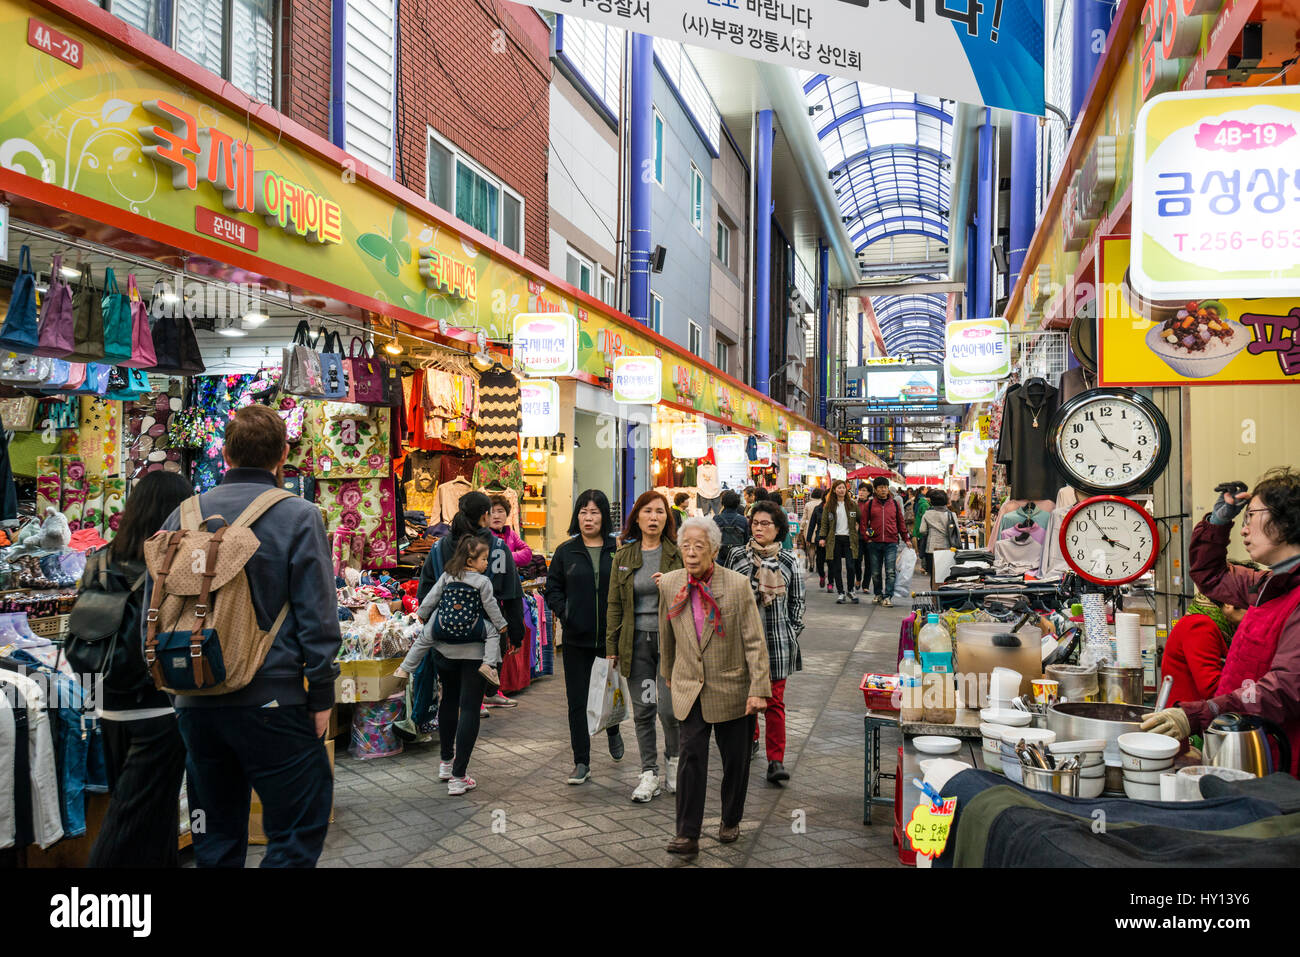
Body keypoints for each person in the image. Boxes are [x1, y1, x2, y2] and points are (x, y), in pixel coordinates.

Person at [154, 405, 340, 868]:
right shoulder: (298, 515)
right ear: (283, 456)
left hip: (195, 698)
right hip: (272, 700)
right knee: (296, 829)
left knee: (214, 835)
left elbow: (155, 608)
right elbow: (317, 614)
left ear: (224, 453)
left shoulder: (184, 514)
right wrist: (321, 694)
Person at [1142, 469, 1300, 775]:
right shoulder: (1268, 585)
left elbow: (1284, 688)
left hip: (1280, 763)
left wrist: (1202, 712)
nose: (1244, 530)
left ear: (1286, 519)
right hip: (1243, 746)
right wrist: (1218, 521)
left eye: (1251, 516)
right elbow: (1210, 575)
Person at [84, 471, 193, 868]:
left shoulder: (99, 560)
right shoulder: (167, 564)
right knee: (127, 826)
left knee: (152, 818)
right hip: (157, 708)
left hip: (108, 706)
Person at [661, 517, 771, 856]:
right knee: (690, 757)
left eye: (699, 547)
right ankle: (687, 833)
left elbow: (754, 641)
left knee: (735, 761)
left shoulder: (737, 585)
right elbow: (666, 637)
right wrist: (668, 675)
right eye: (685, 547)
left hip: (733, 688)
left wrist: (758, 689)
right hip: (689, 687)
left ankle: (730, 817)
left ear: (715, 550)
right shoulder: (669, 584)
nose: (691, 554)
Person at [396, 535, 507, 794]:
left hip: (444, 649)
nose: (486, 563)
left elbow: (429, 601)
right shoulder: (483, 582)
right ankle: (459, 776)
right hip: (474, 652)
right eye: (483, 559)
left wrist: (422, 616)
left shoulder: (446, 576)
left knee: (448, 701)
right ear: (472, 560)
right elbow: (491, 609)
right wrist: (502, 628)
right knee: (469, 708)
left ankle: (446, 763)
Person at [418, 491, 526, 713]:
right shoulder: (497, 548)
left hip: (445, 633)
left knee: (449, 698)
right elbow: (512, 594)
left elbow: (425, 591)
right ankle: (465, 746)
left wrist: (431, 624)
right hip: (482, 636)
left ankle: (447, 749)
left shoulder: (440, 548)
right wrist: (515, 633)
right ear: (485, 516)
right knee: (471, 703)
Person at [606, 491, 683, 803]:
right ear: (636, 517)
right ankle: (648, 772)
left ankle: (675, 762)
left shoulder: (679, 553)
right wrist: (611, 646)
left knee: (669, 711)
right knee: (643, 710)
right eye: (648, 512)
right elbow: (614, 603)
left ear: (668, 518)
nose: (654, 518)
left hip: (670, 643)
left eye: (660, 512)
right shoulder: (624, 556)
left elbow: (699, 593)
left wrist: (674, 583)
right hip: (635, 643)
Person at [545, 490, 623, 784]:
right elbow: (552, 588)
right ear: (576, 516)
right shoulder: (566, 552)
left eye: (594, 512)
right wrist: (567, 613)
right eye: (583, 512)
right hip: (576, 639)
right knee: (577, 701)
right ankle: (582, 761)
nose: (588, 518)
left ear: (604, 516)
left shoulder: (617, 549)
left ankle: (613, 729)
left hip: (610, 638)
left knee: (608, 692)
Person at [724, 501, 804, 784]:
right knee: (745, 699)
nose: (758, 528)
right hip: (742, 644)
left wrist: (791, 631)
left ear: (778, 529)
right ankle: (748, 743)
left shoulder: (788, 561)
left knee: (774, 703)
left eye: (765, 524)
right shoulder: (737, 556)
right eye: (755, 523)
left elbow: (797, 603)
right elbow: (726, 596)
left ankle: (776, 760)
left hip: (777, 643)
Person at [1161, 578, 1250, 707]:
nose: (1254, 612)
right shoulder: (1200, 625)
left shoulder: (1220, 626)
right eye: (1249, 604)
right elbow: (1211, 687)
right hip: (1188, 716)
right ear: (1229, 603)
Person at [861, 476, 911, 608]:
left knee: (890, 571)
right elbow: (864, 524)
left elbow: (901, 522)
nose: (883, 490)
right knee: (876, 572)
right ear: (875, 489)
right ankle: (878, 593)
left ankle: (888, 596)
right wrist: (869, 537)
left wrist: (906, 538)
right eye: (881, 487)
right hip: (874, 543)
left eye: (885, 487)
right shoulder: (869, 504)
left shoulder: (894, 504)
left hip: (891, 542)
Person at [817, 479, 861, 604]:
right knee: (836, 567)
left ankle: (851, 590)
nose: (841, 490)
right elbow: (824, 523)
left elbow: (861, 519)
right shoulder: (829, 506)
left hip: (849, 539)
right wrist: (822, 537)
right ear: (834, 490)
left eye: (843, 487)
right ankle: (841, 592)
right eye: (838, 488)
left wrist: (863, 531)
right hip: (834, 539)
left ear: (846, 489)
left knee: (850, 566)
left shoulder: (852, 505)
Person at [918, 489, 961, 585]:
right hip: (948, 548)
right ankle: (945, 595)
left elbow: (922, 530)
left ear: (932, 501)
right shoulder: (951, 515)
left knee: (933, 576)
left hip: (931, 549)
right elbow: (956, 531)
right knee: (946, 574)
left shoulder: (927, 514)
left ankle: (934, 595)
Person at [488, 494, 533, 568]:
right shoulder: (484, 535)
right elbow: (493, 560)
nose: (496, 516)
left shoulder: (511, 534)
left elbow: (528, 553)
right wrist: (513, 556)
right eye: (492, 512)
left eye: (500, 511)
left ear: (507, 514)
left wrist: (505, 556)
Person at [713, 488, 750, 556]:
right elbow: (746, 540)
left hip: (720, 555)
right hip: (738, 556)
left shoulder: (716, 519)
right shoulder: (743, 520)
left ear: (722, 503)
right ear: (738, 503)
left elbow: (713, 539)